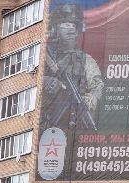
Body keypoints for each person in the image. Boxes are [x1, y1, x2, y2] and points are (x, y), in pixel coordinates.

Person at [41, 3, 104, 133]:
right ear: (55, 27)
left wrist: (89, 100)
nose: (70, 29)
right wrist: (44, 81)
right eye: (66, 24)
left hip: (69, 127)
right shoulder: (41, 54)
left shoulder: (86, 60)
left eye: (73, 25)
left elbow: (97, 86)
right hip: (41, 123)